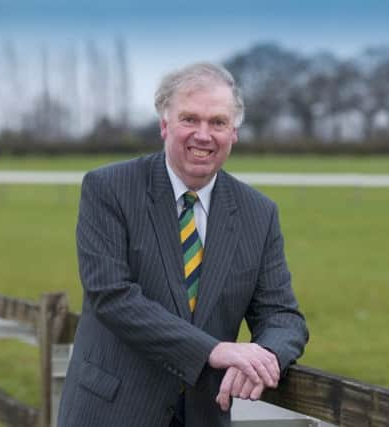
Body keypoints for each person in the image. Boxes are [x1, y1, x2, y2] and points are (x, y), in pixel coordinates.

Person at [58, 62, 308, 427]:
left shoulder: (259, 213)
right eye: (190, 119)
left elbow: (282, 315)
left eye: (218, 122)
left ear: (233, 133)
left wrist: (265, 354)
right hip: (112, 411)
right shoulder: (108, 189)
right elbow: (111, 296)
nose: (204, 135)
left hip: (204, 415)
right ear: (165, 125)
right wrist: (214, 351)